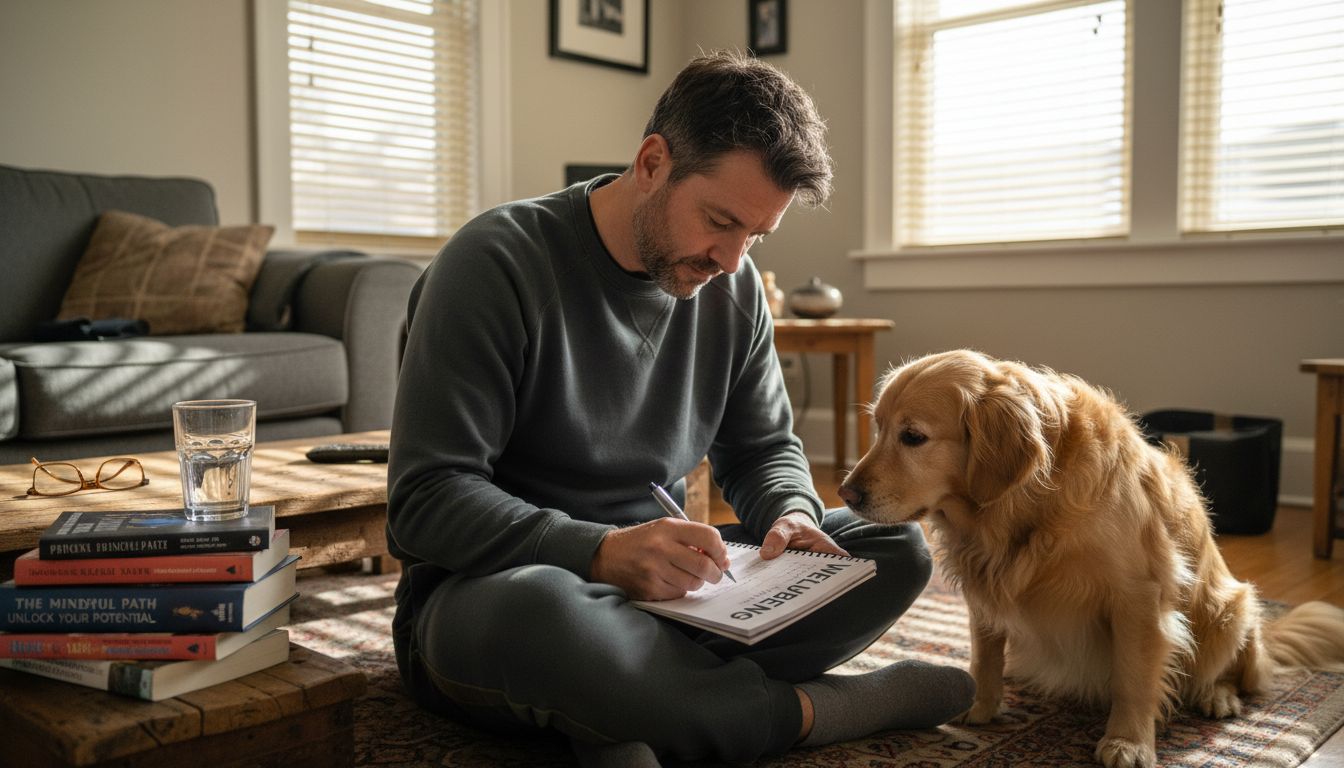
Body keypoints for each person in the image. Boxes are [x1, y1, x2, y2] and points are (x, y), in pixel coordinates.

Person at [385, 50, 974, 766]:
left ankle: (631, 713)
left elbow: (762, 449)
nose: (731, 260)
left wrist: (791, 514)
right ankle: (819, 708)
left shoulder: (733, 284)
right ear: (652, 162)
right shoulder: (492, 266)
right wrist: (598, 552)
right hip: (504, 597)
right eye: (720, 221)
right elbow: (425, 501)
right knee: (546, 616)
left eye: (755, 236)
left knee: (892, 550)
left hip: (674, 595)